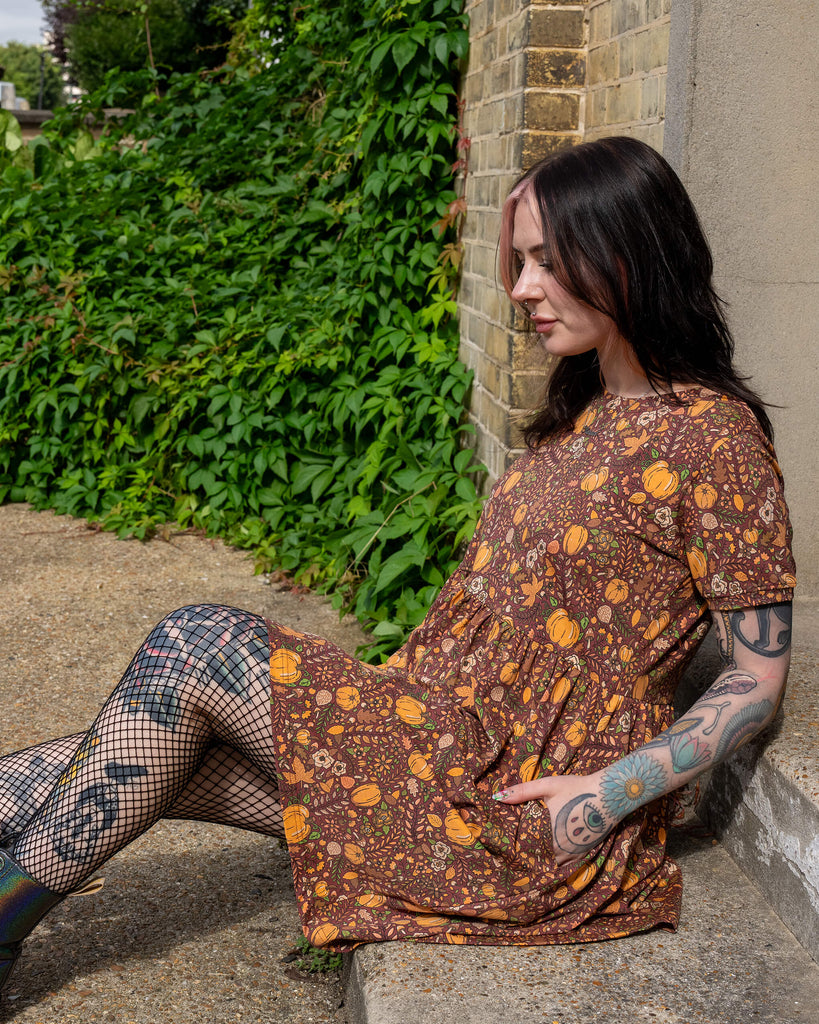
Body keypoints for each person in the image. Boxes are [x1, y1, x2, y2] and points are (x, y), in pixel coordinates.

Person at [0, 137, 795, 993]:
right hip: (438, 738)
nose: (522, 288)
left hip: (518, 801)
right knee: (48, 774)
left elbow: (755, 679)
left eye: (547, 262)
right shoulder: (587, 410)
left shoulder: (712, 436)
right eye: (519, 262)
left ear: (628, 252)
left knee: (195, 642)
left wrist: (606, 793)